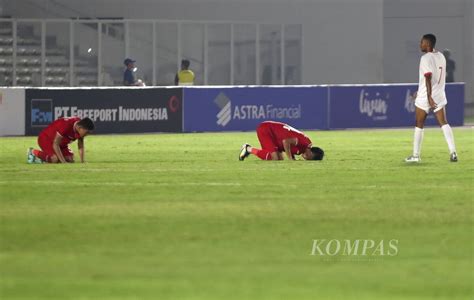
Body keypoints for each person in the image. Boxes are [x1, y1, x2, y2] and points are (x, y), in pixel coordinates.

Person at [405, 34, 457, 163]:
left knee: (419, 124)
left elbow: (428, 77)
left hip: (426, 97)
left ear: (428, 44)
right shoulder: (441, 56)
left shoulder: (425, 58)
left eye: (422, 42)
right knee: (444, 122)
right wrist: (420, 91)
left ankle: (416, 156)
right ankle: (453, 152)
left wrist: (428, 96)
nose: (420, 44)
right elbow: (434, 78)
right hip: (439, 94)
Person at [239, 121, 324, 161]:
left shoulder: (303, 148)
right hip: (267, 130)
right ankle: (248, 149)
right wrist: (290, 159)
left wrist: (293, 158)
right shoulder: (304, 143)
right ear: (311, 153)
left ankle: (249, 149)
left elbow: (292, 147)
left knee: (280, 159)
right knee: (274, 158)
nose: (307, 159)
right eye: (310, 158)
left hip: (275, 137)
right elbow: (286, 142)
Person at [27, 117, 95, 164]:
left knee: (70, 159)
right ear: (80, 128)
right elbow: (55, 144)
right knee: (54, 159)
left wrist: (82, 161)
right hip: (46, 139)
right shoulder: (66, 125)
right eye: (87, 132)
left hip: (60, 144)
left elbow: (80, 145)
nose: (87, 135)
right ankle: (33, 152)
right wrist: (63, 162)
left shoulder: (80, 125)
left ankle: (47, 156)